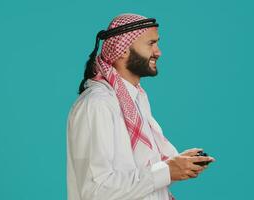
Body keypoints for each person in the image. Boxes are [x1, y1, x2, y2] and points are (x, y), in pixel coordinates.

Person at [66, 13, 215, 200]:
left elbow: (142, 176)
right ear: (123, 49)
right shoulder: (97, 104)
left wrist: (177, 166)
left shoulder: (136, 99)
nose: (158, 52)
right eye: (150, 44)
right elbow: (96, 191)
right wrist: (166, 170)